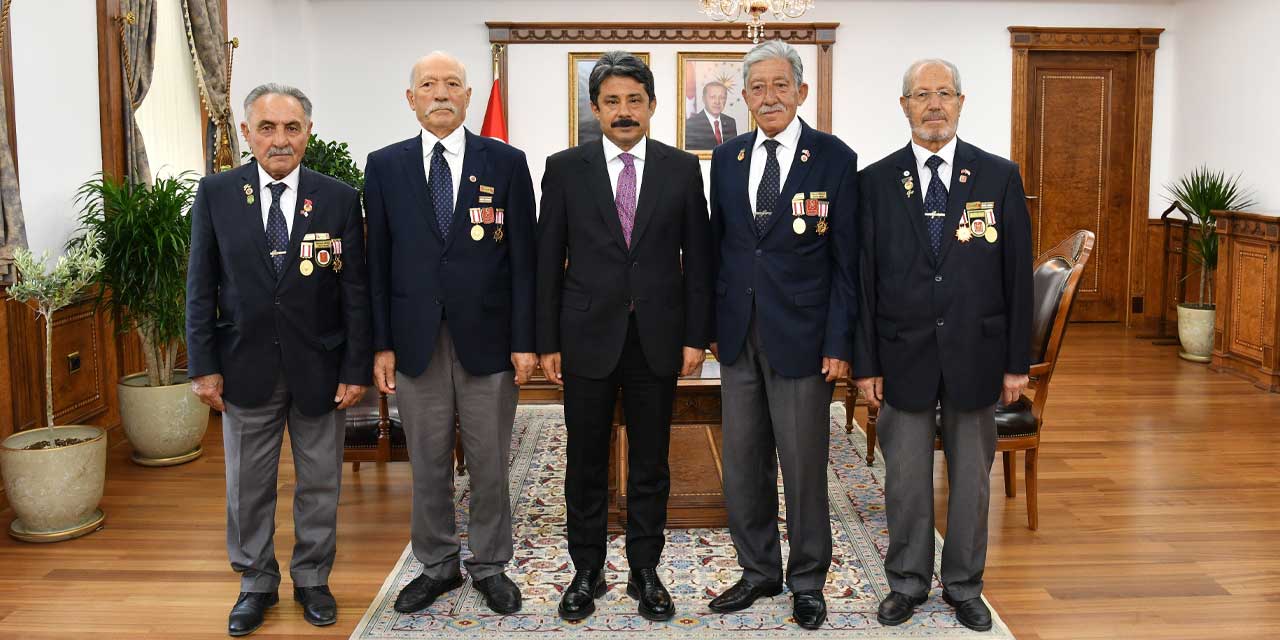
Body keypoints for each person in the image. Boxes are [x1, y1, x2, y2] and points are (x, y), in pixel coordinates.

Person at [852, 58, 1032, 633]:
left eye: (944, 93)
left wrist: (1015, 364)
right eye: (922, 95)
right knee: (904, 479)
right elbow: (863, 280)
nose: (934, 104)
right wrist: (866, 363)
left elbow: (1016, 278)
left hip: (977, 356)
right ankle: (905, 583)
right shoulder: (875, 182)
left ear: (961, 101)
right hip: (900, 353)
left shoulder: (998, 176)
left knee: (972, 481)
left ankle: (964, 585)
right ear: (903, 105)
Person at [186, 83, 372, 637]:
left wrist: (355, 367)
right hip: (243, 367)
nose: (280, 140)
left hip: (321, 367)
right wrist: (202, 364)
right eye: (267, 128)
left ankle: (313, 579)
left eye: (292, 128)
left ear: (308, 133)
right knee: (247, 485)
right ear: (247, 134)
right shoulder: (216, 194)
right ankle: (255, 584)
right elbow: (201, 287)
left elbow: (355, 291)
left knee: (320, 482)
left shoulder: (338, 197)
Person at [536, 50, 712, 623]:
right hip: (585, 336)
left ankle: (645, 569)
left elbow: (701, 260)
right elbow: (546, 262)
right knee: (584, 461)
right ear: (595, 109)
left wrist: (695, 336)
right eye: (612, 101)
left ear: (653, 105)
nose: (624, 111)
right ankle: (586, 570)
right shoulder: (565, 169)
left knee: (651, 463)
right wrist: (547, 341)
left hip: (657, 338)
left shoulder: (682, 169)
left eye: (634, 100)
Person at [363, 51, 537, 616]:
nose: (441, 93)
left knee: (489, 460)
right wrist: (382, 343)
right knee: (429, 460)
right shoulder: (383, 166)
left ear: (467, 97)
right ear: (410, 99)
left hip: (488, 339)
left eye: (452, 85)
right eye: (428, 85)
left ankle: (490, 564)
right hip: (415, 341)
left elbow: (524, 262)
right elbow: (377, 263)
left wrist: (525, 339)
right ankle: (436, 563)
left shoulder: (506, 162)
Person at [705, 39, 858, 630]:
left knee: (802, 464)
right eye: (757, 88)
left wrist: (840, 342)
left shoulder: (833, 158)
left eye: (778, 85)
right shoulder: (728, 158)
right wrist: (712, 328)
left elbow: (847, 262)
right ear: (743, 98)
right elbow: (719, 248)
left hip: (805, 336)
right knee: (743, 463)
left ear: (801, 90)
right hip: (739, 335)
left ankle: (807, 579)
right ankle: (757, 571)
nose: (768, 97)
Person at [684, 81, 738, 149]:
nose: (717, 102)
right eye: (713, 97)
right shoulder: (691, 124)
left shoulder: (730, 122)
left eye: (722, 97)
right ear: (704, 99)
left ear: (726, 99)